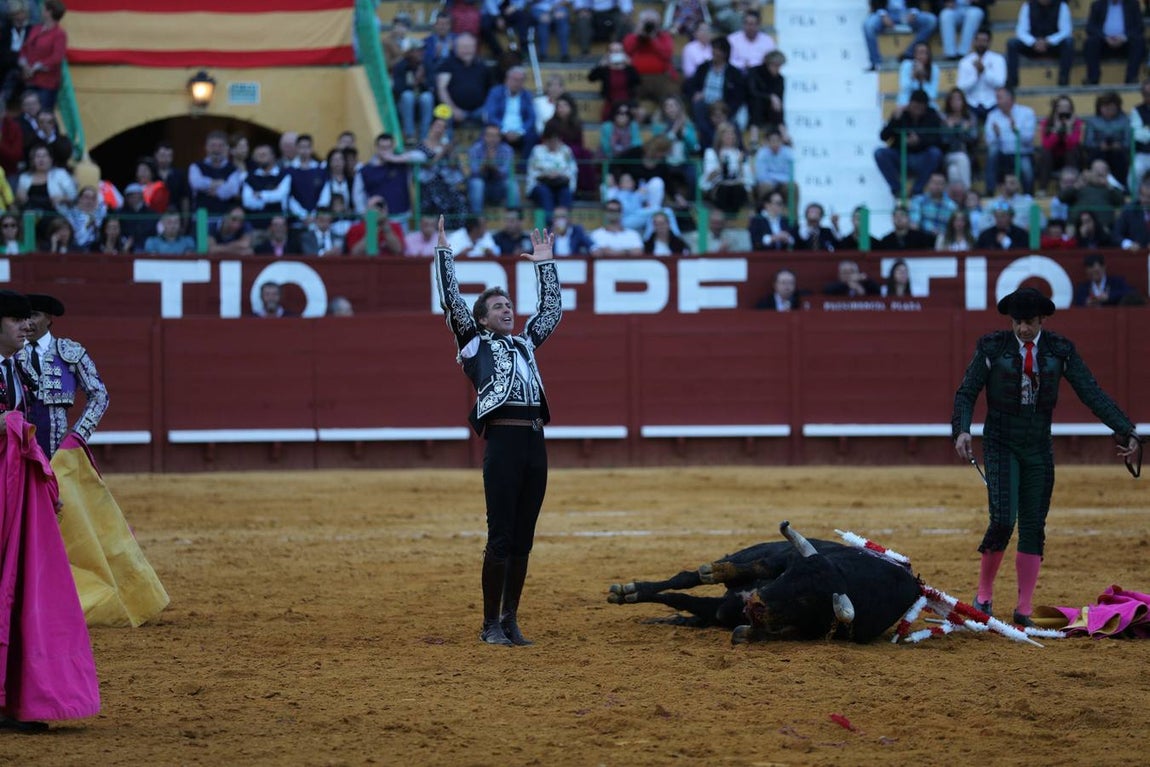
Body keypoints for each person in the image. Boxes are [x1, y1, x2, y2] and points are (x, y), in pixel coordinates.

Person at [952, 287, 1142, 626]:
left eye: (1029, 323)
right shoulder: (992, 346)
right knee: (1002, 520)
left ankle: (1024, 608)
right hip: (1001, 442)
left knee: (1033, 525)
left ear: (1042, 320)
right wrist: (962, 429)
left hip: (1039, 445)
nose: (1023, 329)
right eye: (1018, 322)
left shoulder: (1059, 350)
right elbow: (967, 391)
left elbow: (1090, 391)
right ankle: (983, 596)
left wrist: (1124, 428)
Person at [433, 215, 560, 646]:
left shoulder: (525, 342)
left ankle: (510, 619)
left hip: (534, 441)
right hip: (503, 441)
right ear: (483, 319)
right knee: (501, 535)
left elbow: (552, 311)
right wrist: (444, 255)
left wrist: (545, 264)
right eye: (499, 307)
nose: (508, 310)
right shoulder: (473, 343)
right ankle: (489, 623)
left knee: (524, 537)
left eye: (509, 305)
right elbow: (452, 301)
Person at [0, 289, 100, 733]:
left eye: (31, 318)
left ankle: (14, 698)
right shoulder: (17, 366)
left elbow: (98, 395)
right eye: (18, 319)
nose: (27, 326)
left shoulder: (19, 368)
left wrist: (43, 482)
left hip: (25, 485)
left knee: (22, 588)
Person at [17, 294, 107, 458]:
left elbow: (99, 395)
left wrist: (78, 433)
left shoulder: (70, 352)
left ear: (49, 319)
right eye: (24, 316)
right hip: (16, 447)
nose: (27, 322)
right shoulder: (10, 353)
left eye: (34, 315)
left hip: (58, 451)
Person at [875, 90, 945, 198]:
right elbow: (884, 137)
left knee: (935, 153)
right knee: (879, 153)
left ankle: (917, 190)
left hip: (922, 157)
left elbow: (938, 140)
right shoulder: (901, 114)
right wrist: (894, 120)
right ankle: (897, 189)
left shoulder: (932, 116)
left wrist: (920, 141)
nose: (917, 111)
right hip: (901, 156)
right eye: (915, 107)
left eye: (920, 108)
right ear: (910, 104)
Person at [1006, 0, 1074, 88]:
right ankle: (1012, 82)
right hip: (1033, 46)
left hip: (1053, 46)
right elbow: (1021, 31)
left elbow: (1066, 31)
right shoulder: (1028, 6)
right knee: (1012, 43)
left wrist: (1048, 41)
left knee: (1069, 42)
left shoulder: (1062, 6)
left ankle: (1063, 81)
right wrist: (1034, 42)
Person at [984, 86, 1037, 196]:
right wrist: (997, 135)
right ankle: (990, 191)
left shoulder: (1027, 113)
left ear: (1010, 99)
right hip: (1002, 153)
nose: (997, 101)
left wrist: (1016, 131)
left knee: (1026, 168)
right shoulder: (992, 115)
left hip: (1021, 152)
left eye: (999, 98)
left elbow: (1029, 139)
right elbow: (989, 141)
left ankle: (1029, 195)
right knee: (992, 151)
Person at [16, 0, 66, 111]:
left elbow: (57, 57)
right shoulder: (36, 29)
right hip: (30, 79)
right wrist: (24, 64)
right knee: (29, 113)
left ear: (49, 12)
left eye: (44, 9)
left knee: (44, 113)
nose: (41, 12)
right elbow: (25, 48)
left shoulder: (59, 34)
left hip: (46, 83)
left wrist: (35, 67)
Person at [623, 9, 679, 105]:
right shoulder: (632, 37)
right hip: (637, 79)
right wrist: (638, 36)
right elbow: (627, 51)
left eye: (652, 22)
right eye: (646, 22)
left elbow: (667, 55)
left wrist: (653, 39)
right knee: (631, 103)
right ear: (639, 23)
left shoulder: (664, 37)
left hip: (660, 78)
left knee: (669, 102)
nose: (649, 25)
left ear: (658, 24)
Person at [1083, 0, 1145, 86]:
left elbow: (1139, 27)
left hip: (1125, 43)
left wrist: (1123, 37)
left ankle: (1131, 78)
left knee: (1139, 41)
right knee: (1090, 42)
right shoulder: (1097, 5)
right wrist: (1105, 37)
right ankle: (1093, 78)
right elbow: (1090, 27)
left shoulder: (1132, 4)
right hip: (1104, 43)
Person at [863, 0, 938, 71]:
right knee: (868, 25)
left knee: (931, 20)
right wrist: (883, 14)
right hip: (886, 12)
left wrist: (913, 12)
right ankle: (876, 63)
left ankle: (909, 53)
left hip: (907, 11)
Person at [482, 66, 537, 156]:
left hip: (520, 131)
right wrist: (505, 130)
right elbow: (490, 115)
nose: (518, 83)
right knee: (489, 135)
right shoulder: (495, 92)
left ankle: (523, 169)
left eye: (521, 80)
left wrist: (520, 131)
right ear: (507, 79)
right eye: (515, 80)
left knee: (532, 137)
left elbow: (531, 118)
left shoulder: (527, 95)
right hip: (500, 129)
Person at [956, 29, 1007, 123]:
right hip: (971, 103)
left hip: (993, 102)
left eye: (984, 41)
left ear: (989, 42)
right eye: (978, 40)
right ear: (974, 42)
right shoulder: (965, 62)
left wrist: (984, 71)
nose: (981, 44)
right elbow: (961, 87)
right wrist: (976, 75)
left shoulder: (998, 59)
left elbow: (1001, 83)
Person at [526, 125, 577, 217]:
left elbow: (572, 171)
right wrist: (546, 175)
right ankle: (550, 225)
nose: (553, 143)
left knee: (566, 193)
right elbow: (532, 172)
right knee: (545, 192)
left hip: (560, 184)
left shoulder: (566, 151)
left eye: (556, 140)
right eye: (550, 140)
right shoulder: (537, 151)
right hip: (541, 184)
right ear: (545, 140)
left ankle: (563, 224)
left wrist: (559, 175)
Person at [468, 123, 519, 214]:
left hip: (499, 185)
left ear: (500, 138)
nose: (492, 139)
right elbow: (474, 171)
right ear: (484, 137)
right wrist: (485, 163)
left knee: (512, 184)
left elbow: (506, 172)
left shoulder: (507, 150)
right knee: (476, 184)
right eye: (489, 136)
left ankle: (513, 217)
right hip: (482, 184)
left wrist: (493, 165)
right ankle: (477, 219)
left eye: (495, 136)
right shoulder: (475, 149)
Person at [1083, 91, 1131, 188]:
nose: (1108, 110)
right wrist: (1099, 145)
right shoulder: (1092, 121)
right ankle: (1095, 186)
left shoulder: (1125, 120)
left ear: (1117, 107)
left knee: (1119, 156)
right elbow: (1088, 142)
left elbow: (1128, 142)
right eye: (1105, 107)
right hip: (1099, 152)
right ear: (1100, 107)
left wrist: (1118, 145)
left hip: (1119, 152)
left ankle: (1120, 187)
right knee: (1095, 156)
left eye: (1111, 107)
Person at [1037, 95, 1084, 192]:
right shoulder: (1046, 122)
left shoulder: (1077, 123)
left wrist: (1068, 130)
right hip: (1051, 159)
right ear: (1055, 109)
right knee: (1045, 153)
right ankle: (1042, 189)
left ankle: (1073, 188)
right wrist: (1055, 131)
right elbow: (1046, 145)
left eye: (1066, 107)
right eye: (1060, 107)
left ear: (1071, 109)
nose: (1063, 110)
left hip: (1070, 158)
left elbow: (1073, 144)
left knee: (1072, 152)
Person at [587, 42, 640, 121]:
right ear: (608, 53)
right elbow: (591, 78)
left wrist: (630, 65)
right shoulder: (605, 69)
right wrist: (601, 65)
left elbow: (637, 81)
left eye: (619, 51)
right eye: (613, 51)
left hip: (628, 102)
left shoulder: (628, 69)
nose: (616, 54)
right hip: (611, 103)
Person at [940, 88, 978, 189]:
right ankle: (967, 192)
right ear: (949, 102)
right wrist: (949, 130)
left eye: (959, 99)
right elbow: (942, 142)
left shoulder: (970, 118)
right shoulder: (943, 118)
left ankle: (956, 199)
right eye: (953, 100)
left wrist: (964, 132)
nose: (956, 103)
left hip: (967, 154)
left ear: (963, 102)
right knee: (961, 158)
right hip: (947, 155)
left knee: (953, 171)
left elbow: (974, 140)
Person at [896, 42, 940, 107]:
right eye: (919, 53)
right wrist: (913, 76)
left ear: (929, 55)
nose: (921, 56)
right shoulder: (906, 65)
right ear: (914, 55)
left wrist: (922, 79)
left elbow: (932, 94)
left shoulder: (934, 68)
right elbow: (904, 88)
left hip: (926, 104)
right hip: (907, 102)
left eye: (924, 53)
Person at [1113, 177, 1150, 249]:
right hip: (1134, 254)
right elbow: (1116, 235)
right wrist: (1129, 244)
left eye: (1149, 197)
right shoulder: (1129, 210)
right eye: (1144, 196)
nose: (1146, 200)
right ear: (1139, 195)